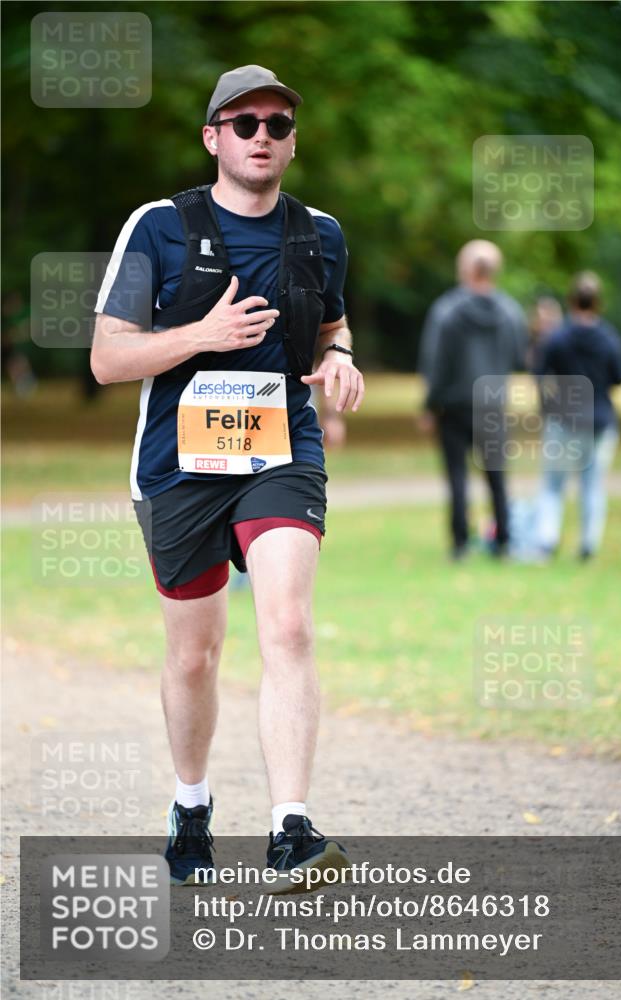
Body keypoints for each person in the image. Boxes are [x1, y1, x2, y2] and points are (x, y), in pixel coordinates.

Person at [91, 65, 364, 886]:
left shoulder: (320, 233)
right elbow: (108, 358)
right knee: (196, 655)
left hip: (281, 451)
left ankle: (291, 828)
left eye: (278, 125)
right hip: (179, 465)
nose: (262, 137)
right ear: (213, 136)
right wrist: (202, 335)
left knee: (286, 626)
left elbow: (333, 321)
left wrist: (342, 357)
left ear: (290, 141)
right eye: (244, 123)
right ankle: (191, 804)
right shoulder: (158, 227)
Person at [418, 240, 526, 559]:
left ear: (465, 269)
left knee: (457, 477)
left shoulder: (446, 311)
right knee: (497, 476)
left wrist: (429, 405)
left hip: (454, 406)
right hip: (493, 403)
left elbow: (435, 362)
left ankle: (460, 543)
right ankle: (503, 542)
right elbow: (520, 356)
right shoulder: (511, 312)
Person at [533, 271, 621, 560]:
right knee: (592, 485)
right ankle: (588, 543)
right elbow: (620, 377)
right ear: (598, 302)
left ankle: (546, 540)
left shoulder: (557, 338)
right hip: (599, 420)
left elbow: (538, 374)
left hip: (563, 419)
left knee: (553, 483)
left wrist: (548, 405)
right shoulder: (609, 338)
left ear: (571, 300)